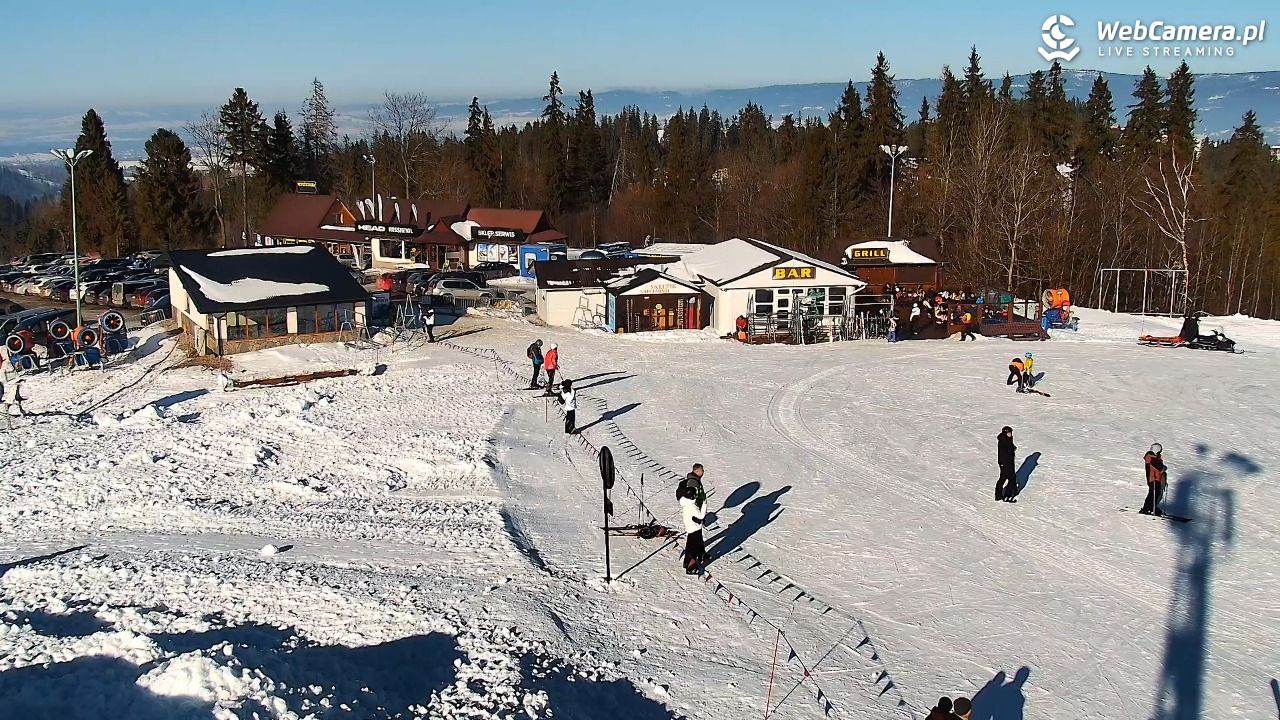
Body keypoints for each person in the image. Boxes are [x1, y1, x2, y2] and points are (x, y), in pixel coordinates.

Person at [679, 477, 706, 574]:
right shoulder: (692, 505)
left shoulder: (686, 503)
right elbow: (701, 515)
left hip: (691, 526)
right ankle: (690, 566)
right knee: (692, 547)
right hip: (694, 528)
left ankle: (690, 561)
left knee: (692, 545)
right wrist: (704, 504)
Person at [1141, 443, 1167, 516]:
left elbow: (1158, 468)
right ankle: (1148, 508)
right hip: (1153, 478)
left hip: (1156, 478)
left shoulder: (1154, 457)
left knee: (1155, 493)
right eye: (1160, 450)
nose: (1160, 452)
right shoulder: (1151, 458)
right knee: (1154, 494)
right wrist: (1163, 468)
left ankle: (1150, 508)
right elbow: (1159, 467)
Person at [996, 426, 1018, 502]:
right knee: (1009, 478)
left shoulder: (1007, 439)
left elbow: (1010, 448)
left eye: (1010, 433)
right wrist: (1012, 448)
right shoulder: (1003, 440)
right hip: (1005, 463)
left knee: (1007, 478)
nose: (1010, 434)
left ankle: (1000, 495)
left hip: (1009, 462)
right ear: (1005, 433)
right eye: (1008, 433)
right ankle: (1007, 495)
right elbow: (1006, 451)